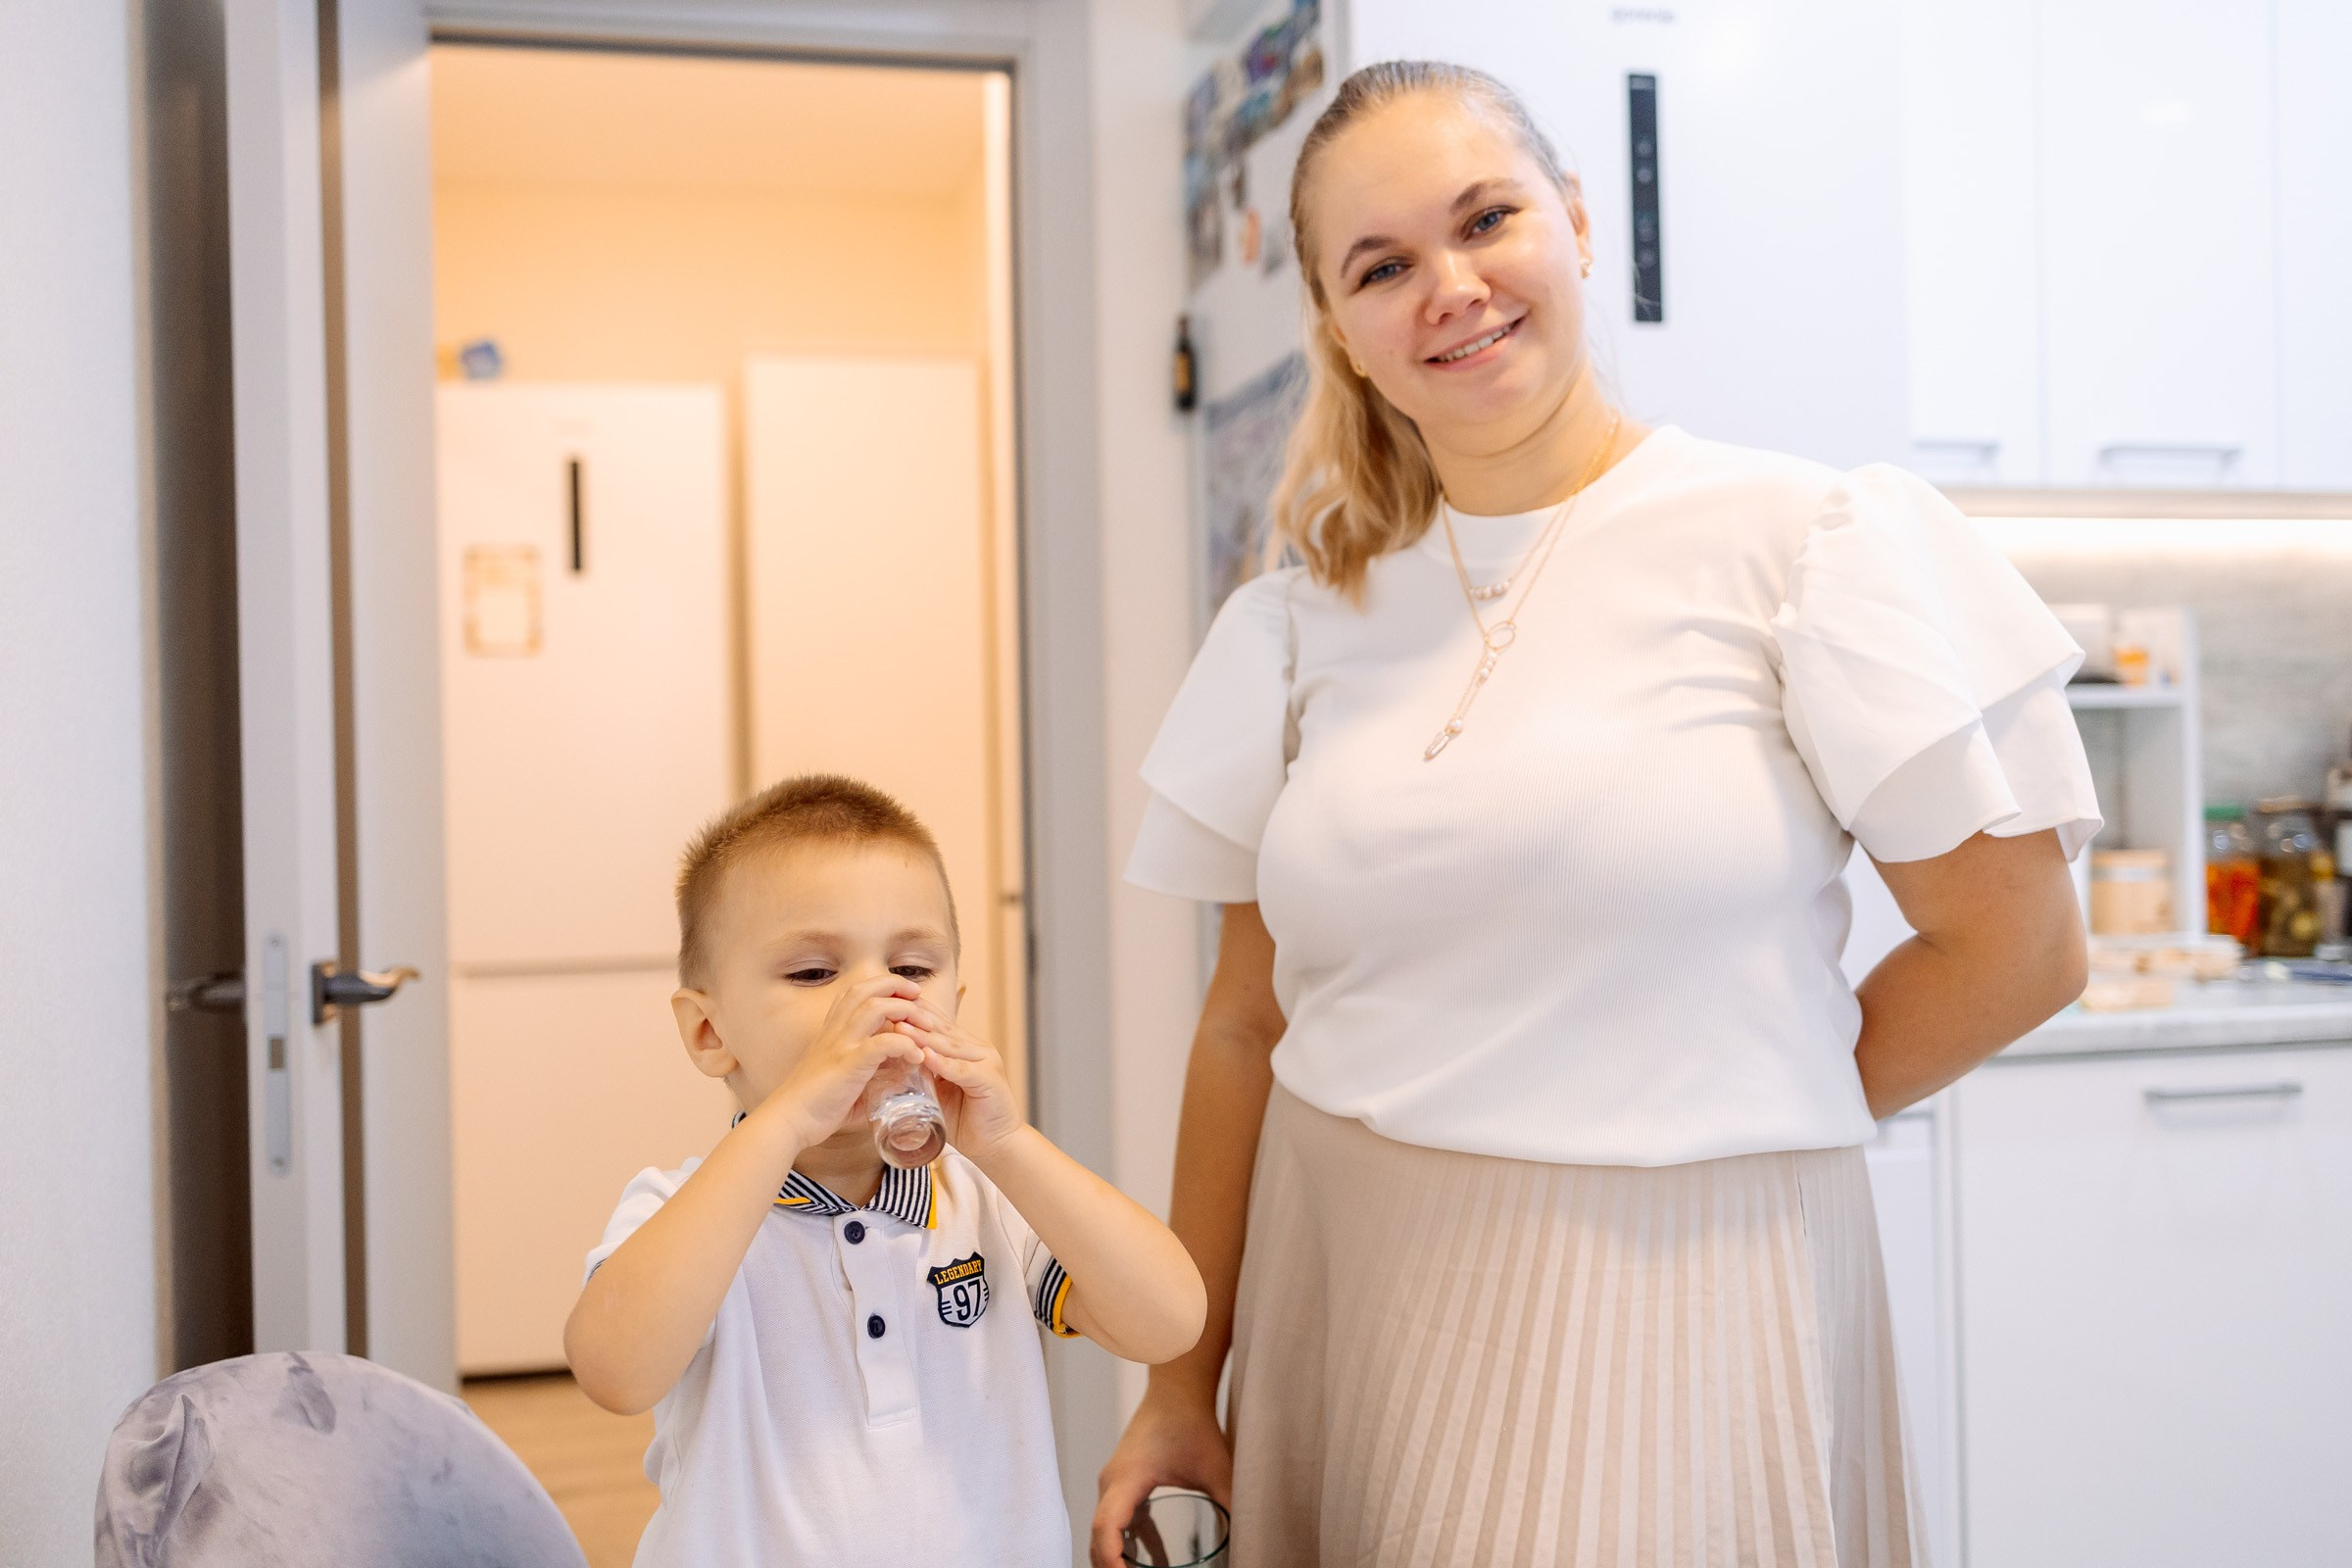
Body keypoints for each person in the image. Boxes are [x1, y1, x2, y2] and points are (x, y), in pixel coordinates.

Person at [1093, 60, 2098, 1568]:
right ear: (1340, 329)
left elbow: (2018, 950)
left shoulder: (1802, 539)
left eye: (1485, 219)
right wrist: (1181, 1382)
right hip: (1343, 1282)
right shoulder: (1301, 625)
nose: (1451, 287)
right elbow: (1245, 1025)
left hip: (1684, 1292)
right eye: (1382, 266)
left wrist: (1722, 1111)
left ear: (1573, 218)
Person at [567, 774, 1204, 1567]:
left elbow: (1170, 1322)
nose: (876, 1004)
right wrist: (787, 1121)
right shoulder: (684, 1210)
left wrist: (1010, 1146)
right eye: (813, 974)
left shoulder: (989, 1202)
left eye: (911, 968)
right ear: (709, 1033)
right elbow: (615, 1372)